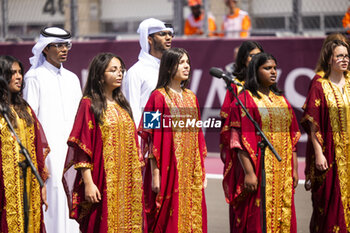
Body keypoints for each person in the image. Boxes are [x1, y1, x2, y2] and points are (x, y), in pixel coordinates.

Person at [62, 53, 146, 232]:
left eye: (121, 70)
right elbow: (82, 147)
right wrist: (88, 183)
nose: (120, 74)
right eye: (113, 70)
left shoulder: (123, 104)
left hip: (128, 181)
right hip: (103, 180)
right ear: (100, 75)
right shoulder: (89, 104)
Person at [223, 53, 300, 232]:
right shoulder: (245, 100)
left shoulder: (282, 101)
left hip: (282, 173)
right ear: (255, 72)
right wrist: (249, 173)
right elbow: (238, 142)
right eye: (267, 68)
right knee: (257, 218)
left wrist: (294, 169)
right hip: (260, 171)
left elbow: (292, 139)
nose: (273, 72)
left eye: (274, 68)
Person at [138, 48, 208, 232]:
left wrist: (201, 169)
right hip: (168, 169)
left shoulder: (191, 97)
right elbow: (150, 136)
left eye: (188, 62)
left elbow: (197, 136)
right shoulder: (157, 97)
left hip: (190, 169)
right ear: (169, 68)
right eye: (181, 63)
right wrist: (155, 174)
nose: (187, 66)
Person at [23, 26, 82, 233]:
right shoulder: (34, 77)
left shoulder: (73, 78)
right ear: (45, 49)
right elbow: (30, 121)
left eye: (66, 44)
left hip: (72, 151)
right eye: (58, 45)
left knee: (73, 197)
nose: (64, 49)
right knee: (54, 199)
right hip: (48, 154)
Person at [301, 40, 350, 232]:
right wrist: (319, 153)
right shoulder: (320, 87)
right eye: (339, 56)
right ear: (329, 59)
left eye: (346, 56)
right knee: (330, 206)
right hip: (331, 155)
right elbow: (313, 124)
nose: (344, 60)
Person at [0, 55, 49, 232]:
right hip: (5, 185)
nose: (19, 76)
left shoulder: (25, 109)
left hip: (29, 182)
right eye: (13, 73)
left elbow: (37, 147)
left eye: (20, 72)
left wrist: (41, 182)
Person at [220, 40, 264, 233]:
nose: (255, 59)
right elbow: (229, 128)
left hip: (265, 155)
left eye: (258, 55)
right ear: (243, 60)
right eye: (251, 56)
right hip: (243, 155)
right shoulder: (236, 88)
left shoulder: (267, 87)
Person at [122, 18, 173, 127]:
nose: (168, 37)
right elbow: (132, 111)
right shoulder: (136, 72)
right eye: (162, 34)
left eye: (170, 34)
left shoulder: (171, 69)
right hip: (148, 137)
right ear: (149, 39)